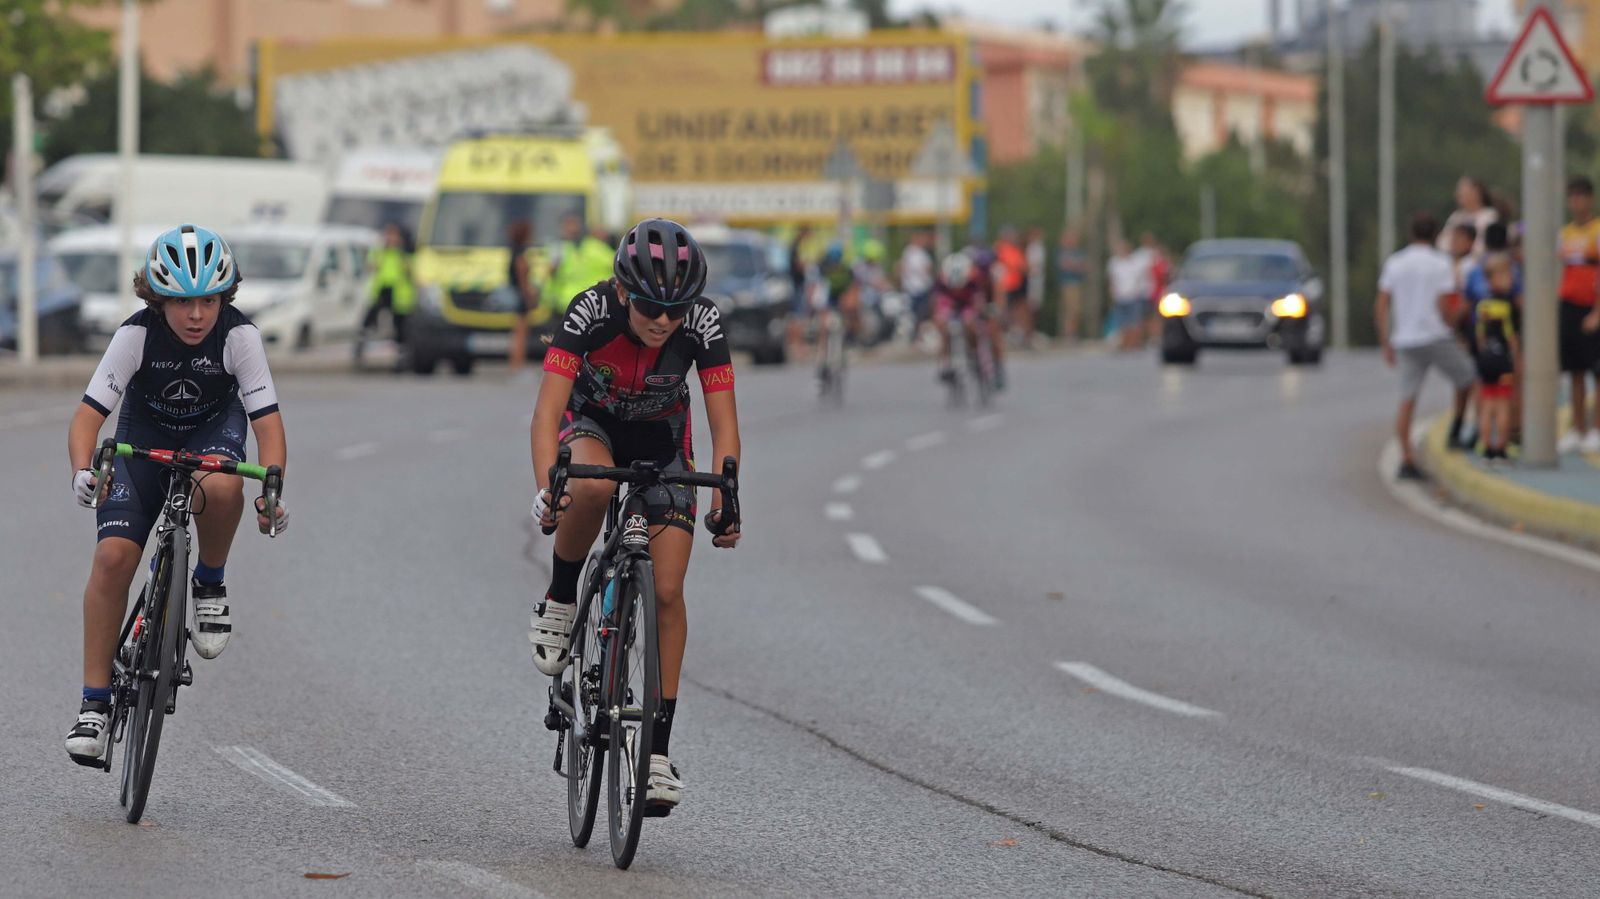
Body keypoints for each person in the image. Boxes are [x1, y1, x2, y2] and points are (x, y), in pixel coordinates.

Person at [528, 218, 741, 815]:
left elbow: (724, 422)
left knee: (667, 590)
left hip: (660, 435)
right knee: (593, 487)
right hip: (591, 423)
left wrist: (726, 498)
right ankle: (561, 597)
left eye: (676, 310)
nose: (663, 321)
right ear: (623, 291)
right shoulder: (589, 311)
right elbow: (546, 413)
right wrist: (549, 488)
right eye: (650, 307)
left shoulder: (703, 324)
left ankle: (655, 754)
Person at [63, 224, 290, 766]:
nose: (196, 315)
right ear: (157, 299)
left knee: (224, 483)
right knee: (113, 558)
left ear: (224, 298)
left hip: (212, 434)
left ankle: (209, 582)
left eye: (209, 301)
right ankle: (94, 706)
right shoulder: (135, 336)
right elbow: (87, 419)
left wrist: (273, 490)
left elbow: (269, 428)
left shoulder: (240, 337)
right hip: (143, 442)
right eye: (183, 302)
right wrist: (82, 472)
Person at [1375, 212, 1477, 480]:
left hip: (1406, 339)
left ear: (1411, 233)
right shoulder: (1441, 263)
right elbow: (1444, 305)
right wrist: (1455, 330)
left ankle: (1406, 458)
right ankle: (1459, 427)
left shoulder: (1395, 262)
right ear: (1435, 235)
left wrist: (1385, 341)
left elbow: (1382, 304)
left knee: (1407, 399)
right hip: (1435, 335)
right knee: (1468, 377)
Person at [1557, 176, 1600, 454]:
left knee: (1597, 371)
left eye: (1581, 196)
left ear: (1590, 199)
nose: (1576, 202)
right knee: (1574, 371)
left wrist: (1597, 311)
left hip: (1592, 307)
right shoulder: (1565, 233)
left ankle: (1596, 429)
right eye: (1572, 197)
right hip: (1569, 306)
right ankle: (1578, 427)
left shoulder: (1597, 230)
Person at [1474, 254, 1521, 462]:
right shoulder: (1507, 305)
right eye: (1507, 275)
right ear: (1495, 277)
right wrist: (1516, 359)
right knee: (1503, 404)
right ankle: (1501, 447)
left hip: (1485, 358)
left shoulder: (1482, 305)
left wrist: (1483, 353)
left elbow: (1480, 335)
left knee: (1487, 403)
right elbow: (1511, 336)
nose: (1510, 279)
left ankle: (1486, 446)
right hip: (1503, 360)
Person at [356, 222, 415, 371]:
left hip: (399, 296)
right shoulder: (379, 252)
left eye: (394, 235)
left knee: (399, 327)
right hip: (382, 291)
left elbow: (413, 272)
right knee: (368, 322)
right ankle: (360, 350)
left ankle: (401, 357)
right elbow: (370, 266)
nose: (390, 238)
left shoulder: (404, 253)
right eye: (388, 235)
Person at [544, 213, 613, 319]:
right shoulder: (559, 249)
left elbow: (614, 265)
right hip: (565, 303)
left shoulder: (595, 247)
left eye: (573, 225)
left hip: (589, 302)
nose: (571, 229)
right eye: (568, 225)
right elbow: (550, 276)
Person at [504, 220, 540, 376]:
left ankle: (516, 365)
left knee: (518, 333)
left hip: (516, 295)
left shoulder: (513, 251)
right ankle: (517, 366)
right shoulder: (520, 254)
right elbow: (523, 278)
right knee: (520, 334)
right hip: (520, 298)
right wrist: (529, 296)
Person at [1107, 238, 1151, 351]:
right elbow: (1112, 280)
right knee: (1122, 322)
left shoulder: (1135, 262)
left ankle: (1134, 343)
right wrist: (1113, 292)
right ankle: (1125, 343)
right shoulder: (1114, 263)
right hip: (1120, 297)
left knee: (1134, 321)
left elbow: (1141, 279)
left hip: (1133, 296)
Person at [1438, 176, 1499, 257]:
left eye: (1463, 192)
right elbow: (1443, 241)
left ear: (1476, 193)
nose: (1458, 195)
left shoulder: (1489, 216)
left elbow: (1483, 244)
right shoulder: (1456, 216)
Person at [896, 229, 935, 338]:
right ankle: (913, 334)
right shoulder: (909, 252)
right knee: (912, 313)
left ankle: (919, 334)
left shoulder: (923, 253)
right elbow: (901, 267)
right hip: (911, 288)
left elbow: (928, 269)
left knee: (922, 313)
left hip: (923, 287)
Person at [993, 226, 1028, 344]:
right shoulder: (999, 249)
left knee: (1017, 310)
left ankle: (1017, 333)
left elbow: (1023, 267)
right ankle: (1003, 333)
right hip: (1005, 285)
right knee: (1004, 310)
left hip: (1016, 284)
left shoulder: (1015, 249)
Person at [785, 225, 814, 358]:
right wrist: (808, 265)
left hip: (797, 284)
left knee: (797, 316)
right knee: (797, 317)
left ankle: (797, 345)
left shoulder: (796, 246)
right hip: (796, 285)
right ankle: (797, 346)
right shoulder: (796, 247)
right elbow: (798, 265)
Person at [1056, 229, 1086, 341]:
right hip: (1068, 283)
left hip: (1077, 283)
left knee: (1077, 310)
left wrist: (1073, 265)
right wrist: (1076, 265)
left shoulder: (1078, 252)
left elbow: (1083, 266)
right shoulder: (1062, 252)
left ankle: (1073, 332)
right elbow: (1065, 265)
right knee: (1071, 310)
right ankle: (1069, 334)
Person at [1021, 226, 1046, 348]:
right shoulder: (1031, 249)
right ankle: (1028, 334)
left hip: (1037, 281)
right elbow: (1029, 266)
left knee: (1035, 308)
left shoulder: (1039, 248)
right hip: (1031, 281)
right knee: (1030, 308)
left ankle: (1031, 332)